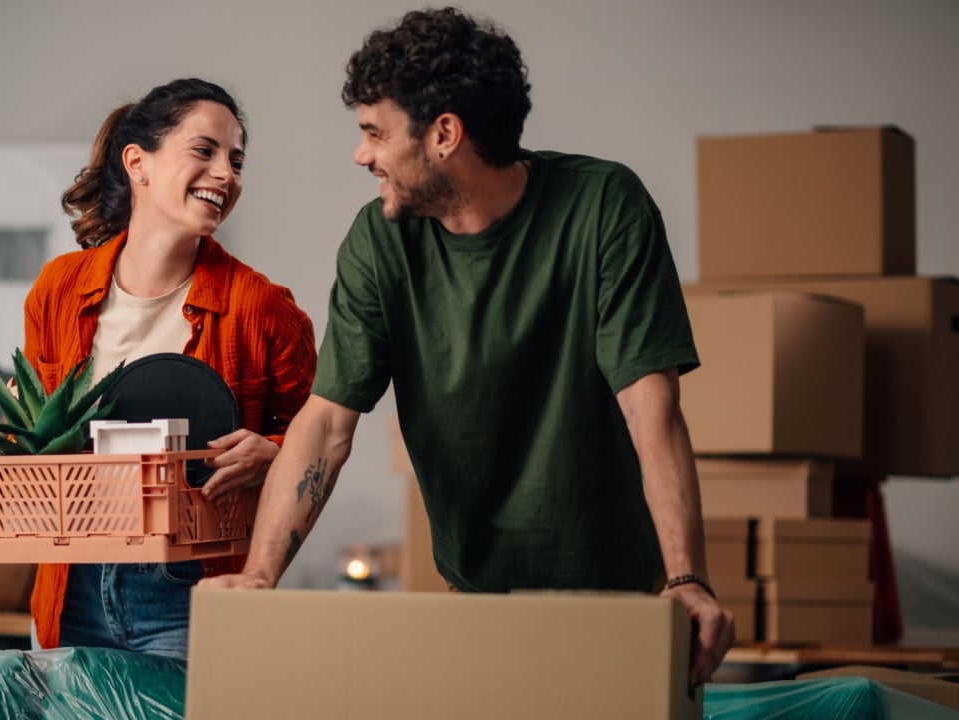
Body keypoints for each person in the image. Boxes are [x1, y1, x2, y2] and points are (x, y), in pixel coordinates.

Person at [199, 9, 733, 686]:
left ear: (444, 135)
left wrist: (688, 578)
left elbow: (650, 409)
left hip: (623, 597)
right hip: (475, 592)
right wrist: (258, 578)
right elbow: (327, 422)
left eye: (375, 132)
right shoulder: (380, 241)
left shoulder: (605, 206)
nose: (361, 155)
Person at [22, 78, 316, 659]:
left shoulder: (263, 310)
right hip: (70, 584)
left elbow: (319, 438)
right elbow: (34, 432)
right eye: (204, 150)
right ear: (138, 163)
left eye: (236, 160)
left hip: (189, 590)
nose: (226, 174)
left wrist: (275, 452)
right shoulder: (57, 289)